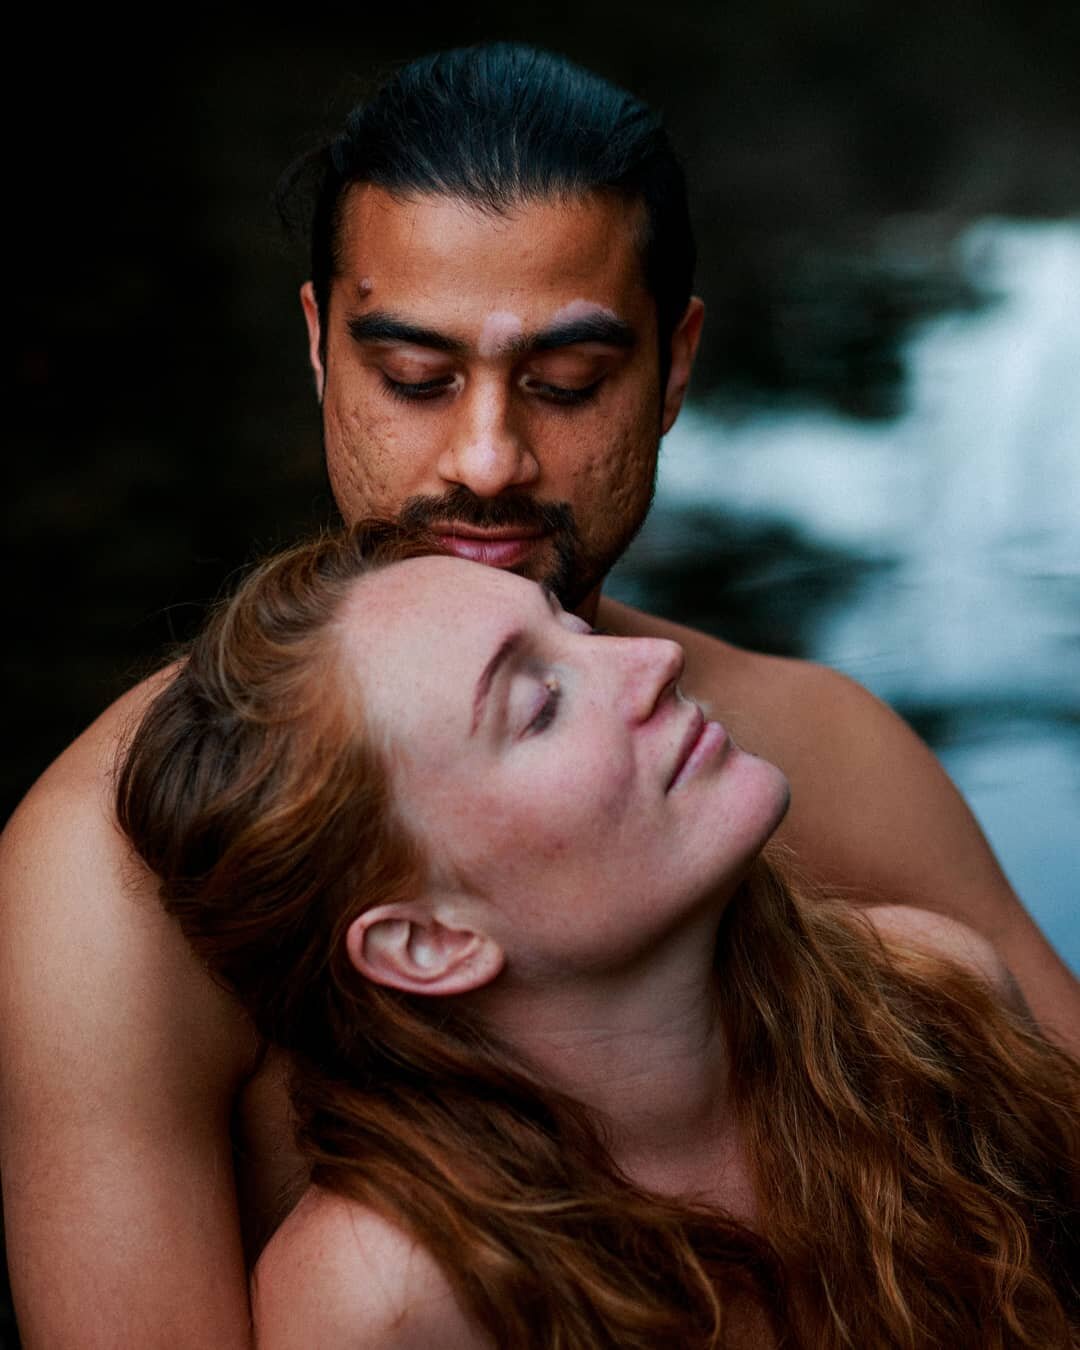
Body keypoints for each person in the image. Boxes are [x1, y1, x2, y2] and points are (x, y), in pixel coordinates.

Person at [0, 41, 1076, 1348]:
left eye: (568, 384)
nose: (489, 459)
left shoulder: (816, 747)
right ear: (317, 347)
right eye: (414, 378)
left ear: (675, 367)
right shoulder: (105, 866)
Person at [117, 522, 1080, 1349]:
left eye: (572, 630)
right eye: (539, 706)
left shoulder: (936, 1009)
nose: (653, 660)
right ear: (427, 942)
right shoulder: (395, 1297)